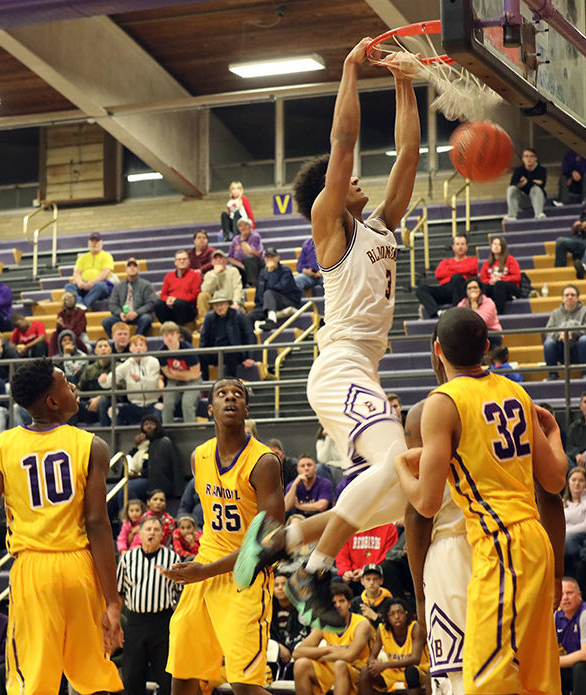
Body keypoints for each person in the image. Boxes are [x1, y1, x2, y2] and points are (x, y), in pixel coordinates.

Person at [233, 42, 422, 627]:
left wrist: (403, 82)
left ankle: (282, 539)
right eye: (349, 182)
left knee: (397, 493)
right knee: (401, 465)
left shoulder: (382, 225)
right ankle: (312, 570)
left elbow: (409, 154)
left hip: (361, 369)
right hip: (339, 366)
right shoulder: (331, 233)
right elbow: (343, 147)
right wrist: (348, 70)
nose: (361, 180)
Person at [394, 308, 567, 694]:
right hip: (535, 542)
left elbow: (425, 503)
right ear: (487, 348)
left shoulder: (443, 401)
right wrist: (553, 434)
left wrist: (401, 467)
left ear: (438, 350)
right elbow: (555, 480)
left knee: (484, 680)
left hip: (499, 543)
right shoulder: (516, 391)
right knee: (536, 679)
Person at [0, 358, 124, 694]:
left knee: (33, 680)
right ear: (52, 402)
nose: (74, 387)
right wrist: (111, 599)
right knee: (94, 676)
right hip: (80, 568)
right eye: (67, 383)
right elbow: (98, 525)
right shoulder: (92, 445)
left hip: (33, 571)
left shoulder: (1, 446)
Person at [160, 378, 284, 693]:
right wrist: (200, 567)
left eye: (238, 394)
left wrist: (206, 570)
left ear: (246, 408)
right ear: (211, 408)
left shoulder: (264, 461)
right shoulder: (199, 456)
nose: (230, 398)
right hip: (205, 571)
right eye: (222, 394)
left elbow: (272, 544)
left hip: (245, 577)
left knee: (244, 685)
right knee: (184, 676)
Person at [117, 515, 182, 695]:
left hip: (162, 623)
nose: (152, 532)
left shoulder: (172, 559)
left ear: (162, 534)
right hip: (135, 623)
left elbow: (181, 595)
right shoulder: (127, 559)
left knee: (167, 678)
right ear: (140, 534)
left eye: (156, 529)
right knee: (131, 678)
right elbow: (120, 592)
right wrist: (116, 623)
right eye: (148, 529)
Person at [291, 583, 374, 695]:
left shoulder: (361, 623)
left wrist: (322, 657)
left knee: (340, 664)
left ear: (349, 603)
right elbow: (297, 653)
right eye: (333, 603)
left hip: (358, 672)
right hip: (333, 668)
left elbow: (350, 656)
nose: (337, 605)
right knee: (301, 664)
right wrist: (328, 650)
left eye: (341, 601)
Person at [358, 598, 428, 695]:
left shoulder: (415, 627)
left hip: (418, 671)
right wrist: (373, 664)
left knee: (411, 671)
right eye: (392, 614)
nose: (397, 617)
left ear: (406, 613)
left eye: (400, 612)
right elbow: (372, 657)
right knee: (366, 671)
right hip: (393, 672)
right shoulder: (382, 629)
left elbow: (415, 659)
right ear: (387, 617)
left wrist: (385, 665)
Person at [416, 235, 477, 319]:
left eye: (462, 244)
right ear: (453, 247)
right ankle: (437, 313)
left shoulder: (473, 260)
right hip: (446, 289)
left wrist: (450, 268)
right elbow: (438, 274)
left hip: (462, 289)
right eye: (457, 244)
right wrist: (460, 269)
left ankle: (457, 310)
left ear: (467, 247)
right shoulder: (445, 261)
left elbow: (471, 269)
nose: (460, 247)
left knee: (456, 277)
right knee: (421, 289)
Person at [198, 291, 256, 379]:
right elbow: (204, 338)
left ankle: (230, 383)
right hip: (216, 351)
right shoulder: (209, 317)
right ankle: (203, 387)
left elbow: (249, 336)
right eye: (216, 305)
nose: (219, 307)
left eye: (221, 304)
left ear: (228, 304)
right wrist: (202, 352)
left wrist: (250, 357)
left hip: (235, 350)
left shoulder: (238, 315)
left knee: (230, 353)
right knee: (199, 356)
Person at [543, 285, 586, 372]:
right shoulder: (555, 313)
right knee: (549, 343)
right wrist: (560, 334)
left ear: (578, 297)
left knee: (585, 339)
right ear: (562, 298)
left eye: (572, 295)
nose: (570, 297)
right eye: (567, 295)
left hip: (583, 349)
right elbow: (548, 332)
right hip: (563, 350)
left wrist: (572, 333)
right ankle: (552, 375)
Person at [249, 247, 304, 331]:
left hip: (287, 300)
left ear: (278, 258)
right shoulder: (262, 273)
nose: (270, 259)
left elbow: (278, 288)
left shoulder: (286, 271)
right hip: (268, 304)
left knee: (269, 293)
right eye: (267, 257)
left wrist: (271, 272)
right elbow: (259, 295)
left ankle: (272, 320)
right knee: (249, 317)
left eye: (272, 257)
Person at [159, 321, 202, 424]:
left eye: (172, 334)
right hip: (173, 381)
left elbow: (196, 374)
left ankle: (190, 432)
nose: (169, 338)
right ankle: (167, 433)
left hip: (193, 381)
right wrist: (185, 375)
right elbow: (167, 374)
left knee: (187, 403)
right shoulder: (161, 352)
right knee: (167, 403)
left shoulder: (188, 349)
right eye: (166, 335)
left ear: (178, 335)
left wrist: (175, 373)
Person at [115, 334, 163, 425]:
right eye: (136, 345)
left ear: (146, 348)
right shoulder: (126, 364)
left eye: (141, 345)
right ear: (130, 348)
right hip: (134, 405)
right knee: (114, 410)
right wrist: (103, 380)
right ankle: (116, 438)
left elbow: (153, 383)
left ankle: (158, 438)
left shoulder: (153, 361)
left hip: (152, 403)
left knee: (160, 409)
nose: (138, 348)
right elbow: (111, 380)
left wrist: (140, 380)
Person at [104, 257, 157, 337]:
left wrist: (136, 313)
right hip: (123, 316)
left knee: (146, 319)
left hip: (139, 315)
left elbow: (151, 303)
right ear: (126, 269)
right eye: (129, 266)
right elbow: (112, 304)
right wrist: (120, 313)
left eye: (134, 266)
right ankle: (119, 341)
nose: (132, 268)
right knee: (106, 322)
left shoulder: (146, 285)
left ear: (138, 269)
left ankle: (135, 340)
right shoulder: (118, 286)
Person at [64, 232, 114, 309]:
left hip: (98, 285)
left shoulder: (107, 256)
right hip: (84, 284)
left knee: (101, 286)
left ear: (101, 243)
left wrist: (92, 283)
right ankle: (80, 303)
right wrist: (80, 283)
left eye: (97, 241)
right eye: (92, 241)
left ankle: (82, 305)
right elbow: (77, 273)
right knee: (69, 286)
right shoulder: (83, 257)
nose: (94, 244)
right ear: (88, 243)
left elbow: (105, 273)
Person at [155, 250, 202, 326]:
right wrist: (168, 299)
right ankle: (167, 327)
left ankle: (180, 329)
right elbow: (163, 295)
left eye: (184, 259)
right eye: (179, 259)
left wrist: (176, 299)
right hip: (171, 306)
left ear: (189, 261)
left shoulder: (195, 276)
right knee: (158, 304)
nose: (182, 261)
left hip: (187, 308)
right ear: (175, 262)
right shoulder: (168, 276)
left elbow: (195, 295)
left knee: (178, 303)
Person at [198, 249, 246, 322]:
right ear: (212, 262)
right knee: (202, 296)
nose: (218, 260)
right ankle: (203, 324)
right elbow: (205, 290)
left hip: (230, 303)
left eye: (220, 258)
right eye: (216, 259)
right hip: (215, 306)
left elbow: (237, 288)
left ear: (225, 261)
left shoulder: (233, 271)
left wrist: (235, 303)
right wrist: (215, 274)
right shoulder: (209, 274)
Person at [478, 235, 522, 313]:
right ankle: (482, 312)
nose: (496, 246)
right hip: (494, 288)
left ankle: (499, 313)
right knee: (484, 286)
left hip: (509, 288)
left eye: (499, 245)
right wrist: (490, 281)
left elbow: (517, 277)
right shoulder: (487, 263)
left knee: (499, 284)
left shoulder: (510, 260)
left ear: (503, 247)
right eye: (494, 244)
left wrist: (501, 279)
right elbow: (482, 279)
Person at [505, 148, 547, 220]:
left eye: (531, 156)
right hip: (523, 200)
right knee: (511, 189)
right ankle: (512, 216)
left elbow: (541, 183)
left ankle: (539, 214)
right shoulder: (518, 170)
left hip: (538, 199)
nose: (529, 159)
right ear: (523, 159)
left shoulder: (541, 169)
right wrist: (523, 184)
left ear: (535, 158)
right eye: (526, 156)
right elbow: (513, 184)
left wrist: (527, 182)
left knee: (535, 188)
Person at [457, 279, 501, 349]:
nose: (472, 290)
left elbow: (480, 322)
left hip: (490, 332)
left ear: (480, 290)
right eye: (469, 288)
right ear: (466, 292)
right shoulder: (461, 304)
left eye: (475, 287)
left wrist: (474, 303)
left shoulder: (489, 302)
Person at [228, 218, 266, 288]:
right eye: (240, 226)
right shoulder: (235, 239)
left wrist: (243, 241)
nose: (243, 227)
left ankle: (252, 284)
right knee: (232, 269)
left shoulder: (255, 236)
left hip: (256, 265)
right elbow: (230, 258)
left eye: (245, 225)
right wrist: (240, 265)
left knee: (249, 258)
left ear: (250, 226)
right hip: (242, 266)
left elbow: (250, 253)